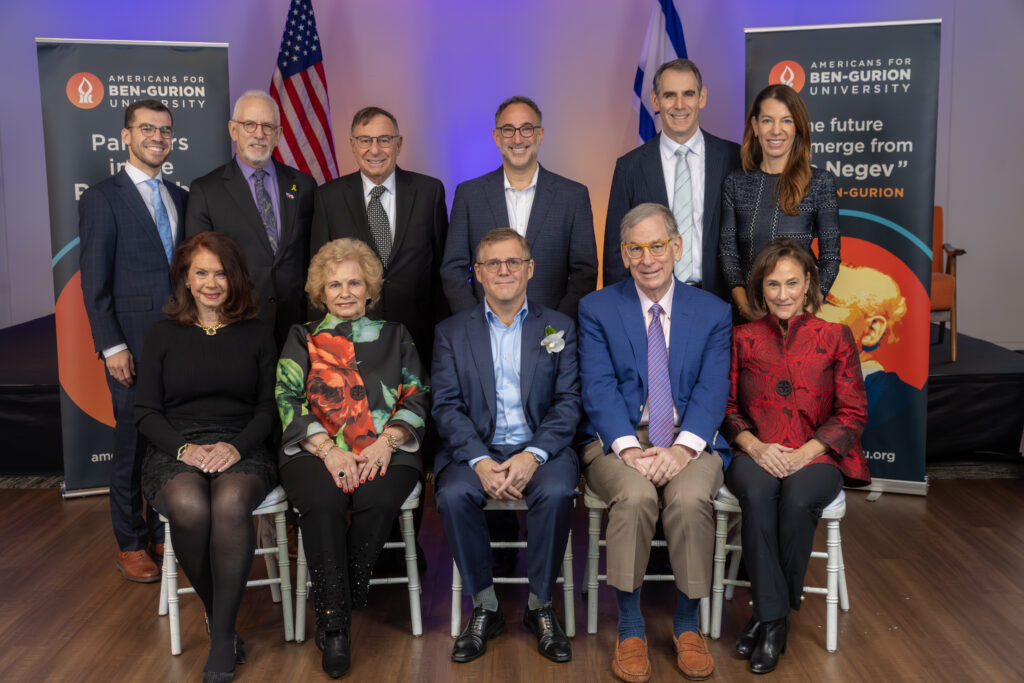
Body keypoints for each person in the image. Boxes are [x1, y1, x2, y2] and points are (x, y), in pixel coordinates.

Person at [578, 203, 731, 682]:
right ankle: (629, 627)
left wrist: (682, 450)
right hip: (618, 438)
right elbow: (598, 388)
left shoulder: (712, 311)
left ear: (677, 247)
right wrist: (628, 449)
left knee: (689, 499)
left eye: (658, 246)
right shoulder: (597, 308)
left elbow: (712, 390)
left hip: (689, 439)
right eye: (636, 249)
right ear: (624, 254)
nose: (648, 259)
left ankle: (687, 623)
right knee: (636, 496)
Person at [275, 238, 428, 678]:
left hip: (386, 446)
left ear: (370, 289)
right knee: (322, 503)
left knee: (378, 500)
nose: (344, 292)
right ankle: (335, 625)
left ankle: (342, 594)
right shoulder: (302, 337)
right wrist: (328, 449)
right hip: (314, 449)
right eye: (335, 284)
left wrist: (387, 441)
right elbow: (286, 396)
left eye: (354, 283)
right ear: (321, 293)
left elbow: (418, 394)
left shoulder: (396, 334)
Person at [134, 232, 278, 683]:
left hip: (243, 443)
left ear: (235, 279)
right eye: (201, 273)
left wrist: (236, 447)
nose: (211, 283)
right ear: (185, 278)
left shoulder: (258, 333)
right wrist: (185, 449)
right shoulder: (161, 335)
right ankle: (220, 617)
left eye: (221, 273)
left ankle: (220, 638)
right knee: (189, 506)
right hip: (176, 445)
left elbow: (269, 409)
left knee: (230, 503)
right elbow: (146, 412)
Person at [722, 239, 870, 674]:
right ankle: (776, 620)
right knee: (756, 495)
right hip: (756, 450)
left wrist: (806, 452)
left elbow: (852, 411)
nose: (783, 294)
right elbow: (726, 408)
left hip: (818, 452)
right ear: (760, 289)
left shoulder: (835, 337)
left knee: (798, 499)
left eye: (791, 283)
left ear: (809, 284)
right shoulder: (742, 338)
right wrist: (755, 446)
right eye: (773, 284)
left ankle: (767, 618)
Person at [433, 228, 580, 665]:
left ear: (529, 269)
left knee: (557, 491)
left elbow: (568, 402)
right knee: (454, 494)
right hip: (476, 448)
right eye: (492, 263)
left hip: (540, 447)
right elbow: (446, 406)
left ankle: (540, 605)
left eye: (513, 262)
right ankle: (485, 606)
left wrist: (533, 455)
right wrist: (479, 460)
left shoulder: (559, 327)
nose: (503, 270)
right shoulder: (450, 332)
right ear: (477, 273)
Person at [79, 99, 188, 582]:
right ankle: (130, 542)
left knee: (170, 442)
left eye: (165, 130)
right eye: (147, 129)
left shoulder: (180, 196)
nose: (157, 138)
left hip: (178, 344)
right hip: (131, 348)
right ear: (126, 136)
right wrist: (112, 346)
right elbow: (94, 283)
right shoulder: (103, 198)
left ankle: (162, 531)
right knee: (131, 445)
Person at [310, 106, 449, 370]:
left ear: (399, 143)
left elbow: (443, 272)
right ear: (352, 145)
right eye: (365, 140)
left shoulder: (429, 192)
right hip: (351, 343)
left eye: (384, 140)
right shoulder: (328, 198)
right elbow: (318, 279)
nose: (374, 150)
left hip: (419, 338)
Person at [441, 95, 597, 321]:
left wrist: (557, 327)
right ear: (497, 137)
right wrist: (476, 323)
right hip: (484, 328)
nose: (517, 138)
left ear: (540, 135)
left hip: (552, 331)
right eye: (508, 130)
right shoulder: (469, 195)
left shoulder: (573, 196)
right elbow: (452, 270)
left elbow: (585, 272)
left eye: (526, 129)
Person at [185, 90, 316, 348]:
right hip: (236, 324)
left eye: (268, 126)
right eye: (249, 125)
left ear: (278, 134)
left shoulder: (304, 185)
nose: (259, 134)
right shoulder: (206, 190)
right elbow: (198, 264)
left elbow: (314, 255)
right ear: (233, 130)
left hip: (297, 326)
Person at [603, 58, 741, 299]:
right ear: (655, 100)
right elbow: (617, 253)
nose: (679, 105)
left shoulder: (733, 158)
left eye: (688, 94)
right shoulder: (630, 167)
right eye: (669, 95)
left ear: (702, 97)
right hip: (651, 301)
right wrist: (622, 308)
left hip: (720, 301)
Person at [719, 84, 841, 322]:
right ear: (755, 126)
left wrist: (805, 309)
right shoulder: (735, 182)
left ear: (797, 128)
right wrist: (746, 309)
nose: (776, 130)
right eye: (767, 121)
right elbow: (728, 253)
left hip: (798, 318)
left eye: (786, 121)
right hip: (746, 319)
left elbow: (831, 257)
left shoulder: (819, 182)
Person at [818, 263, 915, 427]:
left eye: (825, 302)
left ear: (872, 331)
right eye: (806, 299)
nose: (804, 310)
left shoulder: (900, 402)